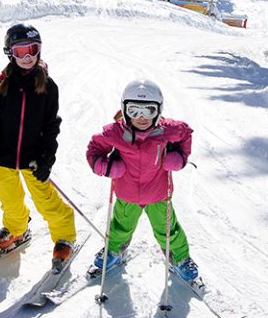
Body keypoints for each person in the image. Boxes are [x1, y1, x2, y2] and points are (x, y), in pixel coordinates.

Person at [0, 23, 76, 264]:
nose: (28, 56)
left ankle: (64, 236)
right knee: (9, 200)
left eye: (33, 49)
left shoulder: (47, 86)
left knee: (46, 201)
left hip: (33, 158)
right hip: (3, 158)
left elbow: (51, 126)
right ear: (10, 52)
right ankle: (16, 229)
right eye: (21, 51)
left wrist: (46, 159)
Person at [84, 77, 198, 281]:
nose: (141, 117)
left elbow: (185, 133)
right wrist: (106, 166)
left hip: (159, 195)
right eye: (134, 110)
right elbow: (95, 148)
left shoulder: (167, 130)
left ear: (159, 110)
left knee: (168, 230)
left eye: (149, 111)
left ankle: (180, 258)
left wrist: (179, 158)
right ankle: (114, 252)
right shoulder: (116, 132)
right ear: (124, 109)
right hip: (127, 194)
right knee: (120, 227)